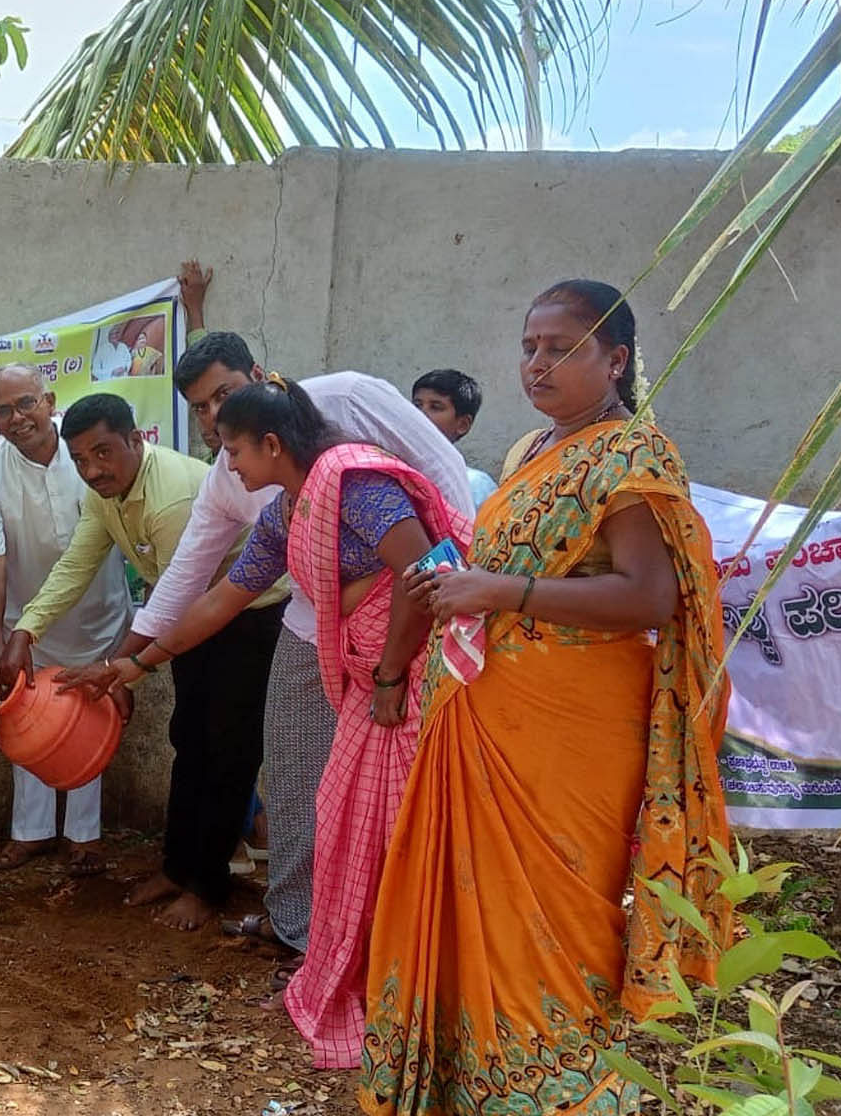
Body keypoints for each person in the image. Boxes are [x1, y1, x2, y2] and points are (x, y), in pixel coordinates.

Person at [364, 281, 732, 1114]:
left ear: (615, 360)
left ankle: (554, 1094)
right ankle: (466, 1085)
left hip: (569, 735)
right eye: (529, 345)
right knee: (468, 909)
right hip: (489, 708)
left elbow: (648, 598)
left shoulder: (634, 456)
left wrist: (501, 592)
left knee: (555, 925)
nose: (537, 363)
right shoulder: (535, 447)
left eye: (561, 347)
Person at [64, 320, 473, 960]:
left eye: (232, 447)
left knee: (382, 796)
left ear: (271, 436)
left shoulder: (352, 478)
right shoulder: (287, 505)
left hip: (400, 653)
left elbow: (424, 567)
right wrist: (132, 664)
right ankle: (301, 927)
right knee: (295, 782)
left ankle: (382, 943)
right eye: (205, 419)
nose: (222, 461)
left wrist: (392, 671)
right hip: (321, 641)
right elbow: (219, 594)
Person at [0, 393, 281, 932]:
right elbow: (76, 564)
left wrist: (125, 666)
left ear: (136, 440)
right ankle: (178, 868)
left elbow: (180, 593)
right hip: (194, 619)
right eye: (79, 459)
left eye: (103, 453)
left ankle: (207, 886)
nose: (92, 469)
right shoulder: (105, 495)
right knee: (189, 739)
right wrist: (25, 631)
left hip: (250, 616)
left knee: (228, 749)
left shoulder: (169, 497)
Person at [0, 365, 133, 875]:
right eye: (3, 410)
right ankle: (31, 833)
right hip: (29, 625)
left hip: (99, 615)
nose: (17, 418)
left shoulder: (86, 455)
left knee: (87, 718)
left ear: (49, 401)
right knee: (28, 719)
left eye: (26, 404)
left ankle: (84, 837)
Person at [411, 368, 499, 506]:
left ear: (462, 425)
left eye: (435, 407)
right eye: (417, 405)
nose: (420, 414)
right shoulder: (390, 471)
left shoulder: (476, 485)